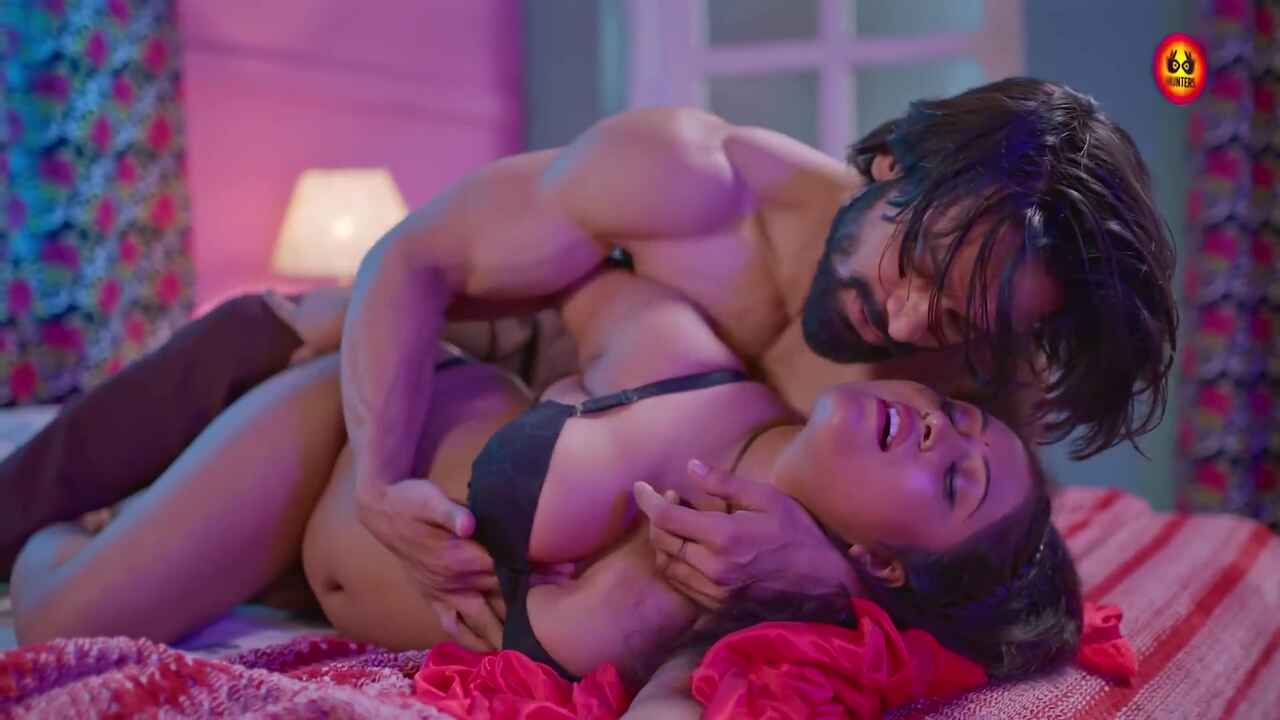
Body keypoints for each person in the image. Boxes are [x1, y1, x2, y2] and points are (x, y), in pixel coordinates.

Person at [339, 77, 1177, 644]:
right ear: (892, 165)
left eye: (960, 317)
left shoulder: (969, 392)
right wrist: (377, 487)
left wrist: (827, 581)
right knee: (320, 337)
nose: (907, 324)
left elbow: (984, 583)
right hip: (514, 346)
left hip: (554, 482)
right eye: (917, 267)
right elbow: (416, 259)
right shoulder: (691, 180)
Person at [11, 269, 1080, 708]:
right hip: (331, 439)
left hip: (313, 571)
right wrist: (374, 313)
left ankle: (133, 509)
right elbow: (563, 267)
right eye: (958, 417)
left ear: (883, 563)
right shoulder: (688, 360)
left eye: (955, 477)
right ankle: (86, 512)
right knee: (58, 614)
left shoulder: (745, 601)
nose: (936, 428)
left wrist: (816, 586)